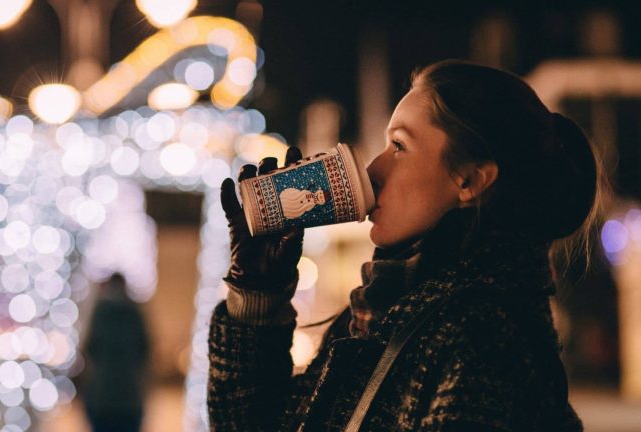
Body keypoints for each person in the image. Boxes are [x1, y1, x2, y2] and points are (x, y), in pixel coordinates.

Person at [208, 60, 600, 431]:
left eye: (399, 146)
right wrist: (258, 297)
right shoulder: (382, 312)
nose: (374, 170)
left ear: (470, 180)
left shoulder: (482, 339)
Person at [78, 273, 150, 432]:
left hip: (102, 397)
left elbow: (90, 348)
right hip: (129, 396)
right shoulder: (134, 312)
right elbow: (144, 349)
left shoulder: (100, 312)